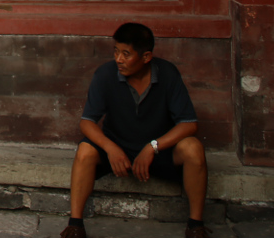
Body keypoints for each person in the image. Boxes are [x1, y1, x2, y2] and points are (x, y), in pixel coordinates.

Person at [60, 23, 209, 238]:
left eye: (126, 54)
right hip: (117, 151)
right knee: (85, 150)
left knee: (193, 148)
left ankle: (195, 225)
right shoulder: (105, 74)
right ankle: (75, 224)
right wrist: (110, 148)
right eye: (116, 51)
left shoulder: (167, 74)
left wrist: (152, 147)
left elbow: (189, 124)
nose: (118, 59)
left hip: (158, 153)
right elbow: (87, 122)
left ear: (146, 57)